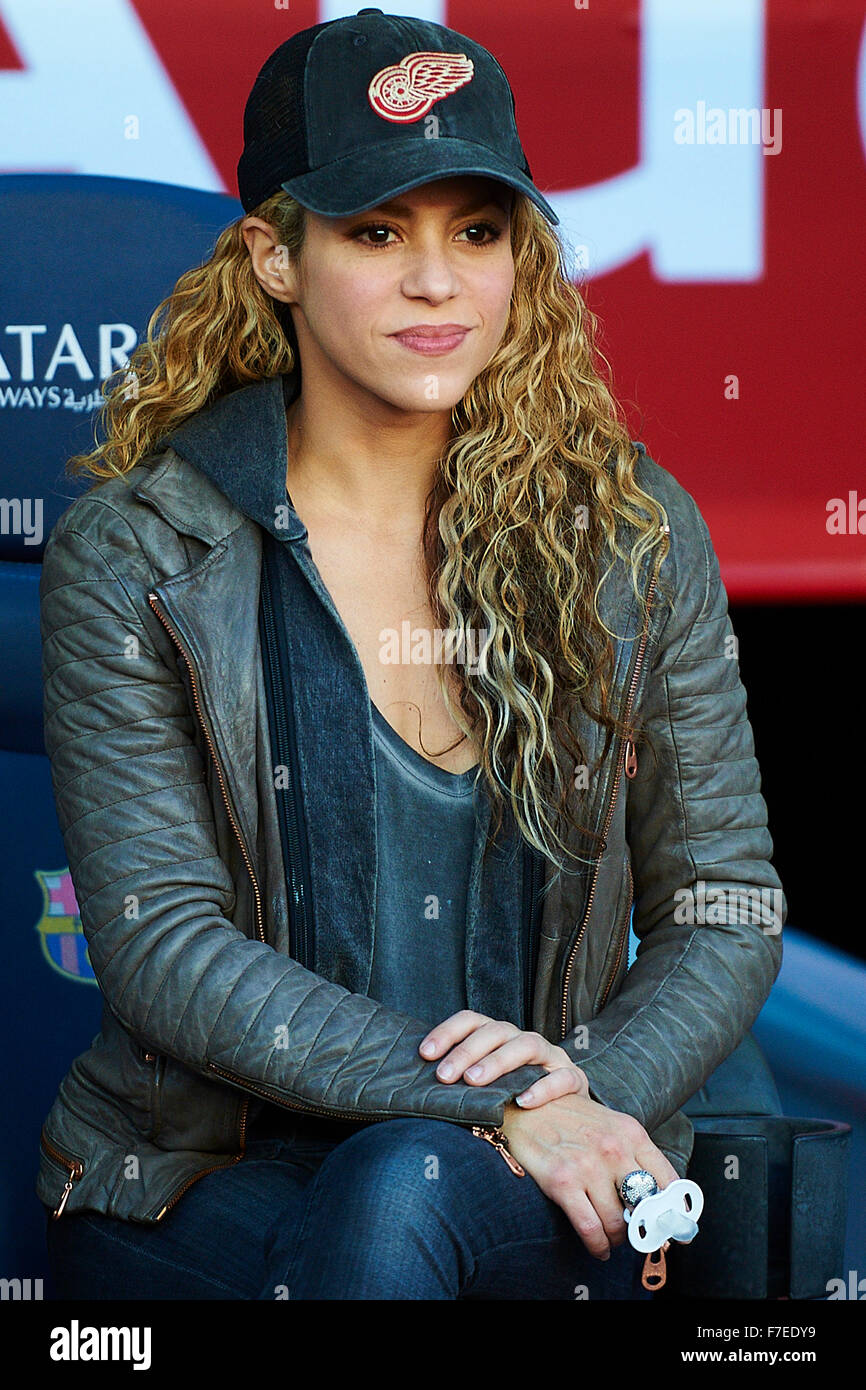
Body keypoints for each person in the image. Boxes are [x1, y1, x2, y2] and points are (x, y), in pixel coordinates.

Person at [37, 9, 784, 1301]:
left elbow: (722, 899)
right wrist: (494, 1095)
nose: (437, 283)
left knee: (407, 1189)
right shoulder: (141, 547)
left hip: (562, 1148)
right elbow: (161, 940)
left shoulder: (627, 528)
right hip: (210, 1171)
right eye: (376, 233)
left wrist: (578, 1089)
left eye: (476, 232)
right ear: (275, 254)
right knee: (394, 1191)